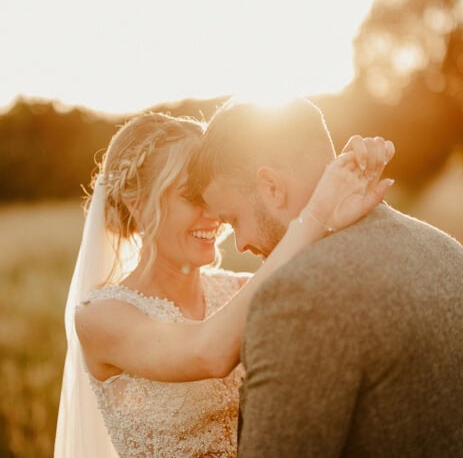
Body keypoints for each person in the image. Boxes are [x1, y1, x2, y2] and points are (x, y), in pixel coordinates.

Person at [53, 112, 395, 458]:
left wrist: (345, 176)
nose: (213, 216)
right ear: (138, 205)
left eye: (213, 198)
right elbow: (210, 353)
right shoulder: (100, 318)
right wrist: (317, 214)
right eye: (192, 198)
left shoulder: (239, 289)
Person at [186, 97, 463, 457]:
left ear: (272, 187)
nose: (242, 243)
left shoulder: (297, 301)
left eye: (233, 220)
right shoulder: (456, 258)